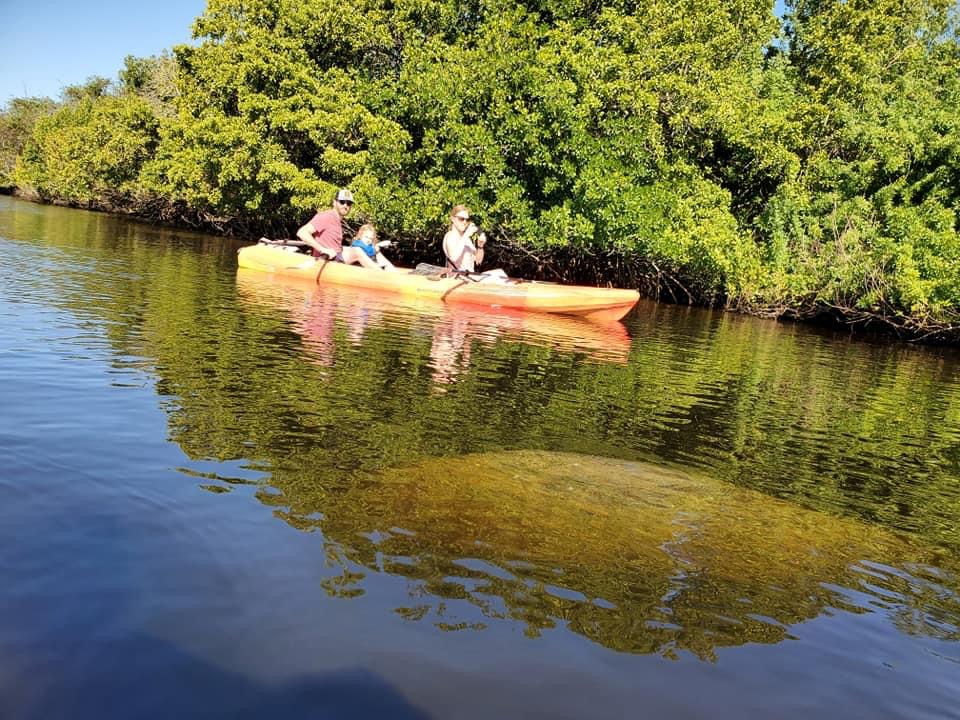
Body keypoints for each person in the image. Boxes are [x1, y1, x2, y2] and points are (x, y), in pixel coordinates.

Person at [295, 188, 380, 270]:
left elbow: (336, 247)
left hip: (337, 258)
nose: (345, 206)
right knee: (357, 251)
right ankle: (384, 277)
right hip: (326, 263)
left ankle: (390, 273)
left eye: (349, 203)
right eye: (342, 202)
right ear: (334, 202)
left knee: (373, 250)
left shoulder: (338, 220)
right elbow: (302, 232)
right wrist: (322, 249)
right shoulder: (326, 216)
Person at [443, 205, 486, 273]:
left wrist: (480, 246)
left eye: (467, 220)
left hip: (470, 277)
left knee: (499, 273)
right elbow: (453, 257)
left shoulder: (466, 239)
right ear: (453, 219)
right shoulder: (450, 236)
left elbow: (478, 261)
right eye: (461, 219)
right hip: (457, 278)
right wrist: (466, 235)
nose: (464, 222)